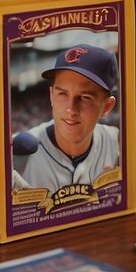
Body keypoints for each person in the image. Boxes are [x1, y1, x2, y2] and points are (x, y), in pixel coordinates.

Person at [12, 43, 121, 190]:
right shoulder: (19, 154)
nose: (71, 109)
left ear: (107, 106)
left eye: (85, 97)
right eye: (62, 94)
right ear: (51, 96)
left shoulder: (117, 144)